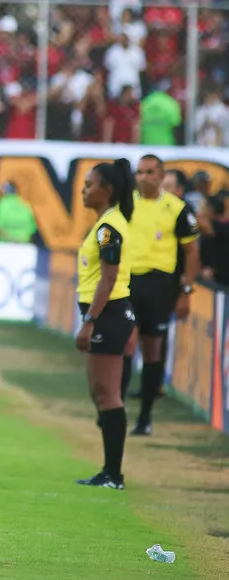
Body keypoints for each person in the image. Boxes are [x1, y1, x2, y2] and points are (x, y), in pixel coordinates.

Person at [122, 155, 200, 435]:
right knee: (127, 342)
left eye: (149, 172)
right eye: (140, 172)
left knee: (152, 348)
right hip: (129, 282)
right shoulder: (125, 203)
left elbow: (192, 252)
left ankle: (145, 417)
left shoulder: (177, 209)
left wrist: (186, 292)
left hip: (160, 285)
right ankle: (115, 411)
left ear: (160, 175)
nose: (143, 177)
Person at [75, 158, 137, 490]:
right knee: (100, 392)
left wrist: (90, 321)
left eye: (89, 184)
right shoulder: (105, 223)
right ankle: (108, 471)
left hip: (108, 315)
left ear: (107, 190)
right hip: (105, 314)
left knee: (108, 394)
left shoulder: (108, 227)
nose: (84, 189)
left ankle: (114, 474)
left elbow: (109, 278)